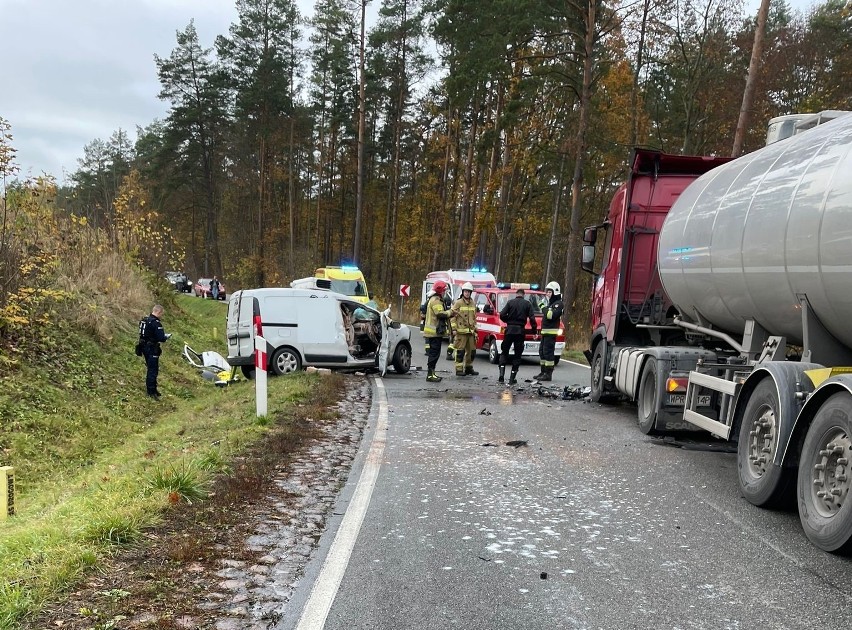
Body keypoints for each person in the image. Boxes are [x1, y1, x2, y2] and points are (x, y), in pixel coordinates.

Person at [498, 288, 537, 385]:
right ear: (524, 295)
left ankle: (501, 375)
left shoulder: (510, 302)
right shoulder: (527, 304)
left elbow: (502, 314)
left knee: (504, 352)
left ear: (516, 294)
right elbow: (532, 319)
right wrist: (534, 332)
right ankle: (512, 378)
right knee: (517, 355)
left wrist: (508, 321)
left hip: (509, 330)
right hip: (520, 331)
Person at [138, 304, 172, 398]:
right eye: (161, 314)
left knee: (150, 368)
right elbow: (161, 338)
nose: (161, 316)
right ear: (159, 312)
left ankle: (153, 390)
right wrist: (166, 337)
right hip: (151, 348)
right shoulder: (155, 323)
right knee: (153, 370)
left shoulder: (144, 320)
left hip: (143, 347)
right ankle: (151, 392)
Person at [534, 281, 564, 381]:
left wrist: (542, 306)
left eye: (549, 292)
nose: (547, 294)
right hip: (545, 332)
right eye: (547, 292)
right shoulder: (551, 304)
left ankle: (548, 374)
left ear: (555, 292)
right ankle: (543, 372)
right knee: (542, 352)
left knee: (548, 353)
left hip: (551, 333)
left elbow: (550, 316)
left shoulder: (558, 304)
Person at [423, 281, 452, 382]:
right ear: (440, 290)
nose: (445, 292)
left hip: (434, 332)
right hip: (434, 332)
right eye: (444, 290)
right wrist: (450, 312)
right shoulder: (436, 300)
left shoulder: (436, 299)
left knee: (435, 353)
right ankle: (430, 374)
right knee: (434, 353)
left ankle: (432, 373)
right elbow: (440, 314)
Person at [451, 282, 479, 377]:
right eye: (465, 291)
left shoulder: (473, 303)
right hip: (461, 332)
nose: (467, 293)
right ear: (463, 292)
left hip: (470, 332)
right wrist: (454, 328)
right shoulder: (458, 303)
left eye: (468, 292)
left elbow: (474, 317)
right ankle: (459, 369)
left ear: (471, 293)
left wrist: (475, 328)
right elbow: (452, 316)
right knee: (460, 352)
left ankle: (468, 368)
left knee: (472, 352)